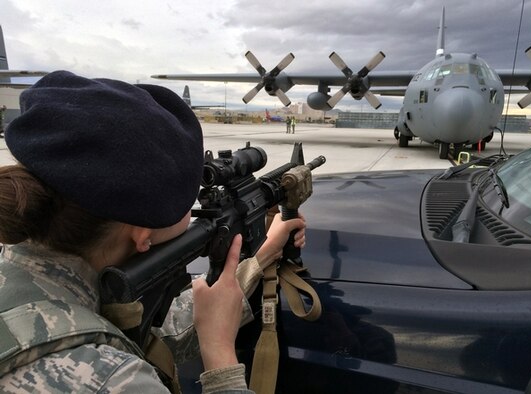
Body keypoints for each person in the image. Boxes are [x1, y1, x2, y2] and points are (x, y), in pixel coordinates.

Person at [0, 70, 306, 393]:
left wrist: (260, 258)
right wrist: (219, 354)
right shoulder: (116, 381)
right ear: (143, 234)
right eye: (190, 201)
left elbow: (143, 328)